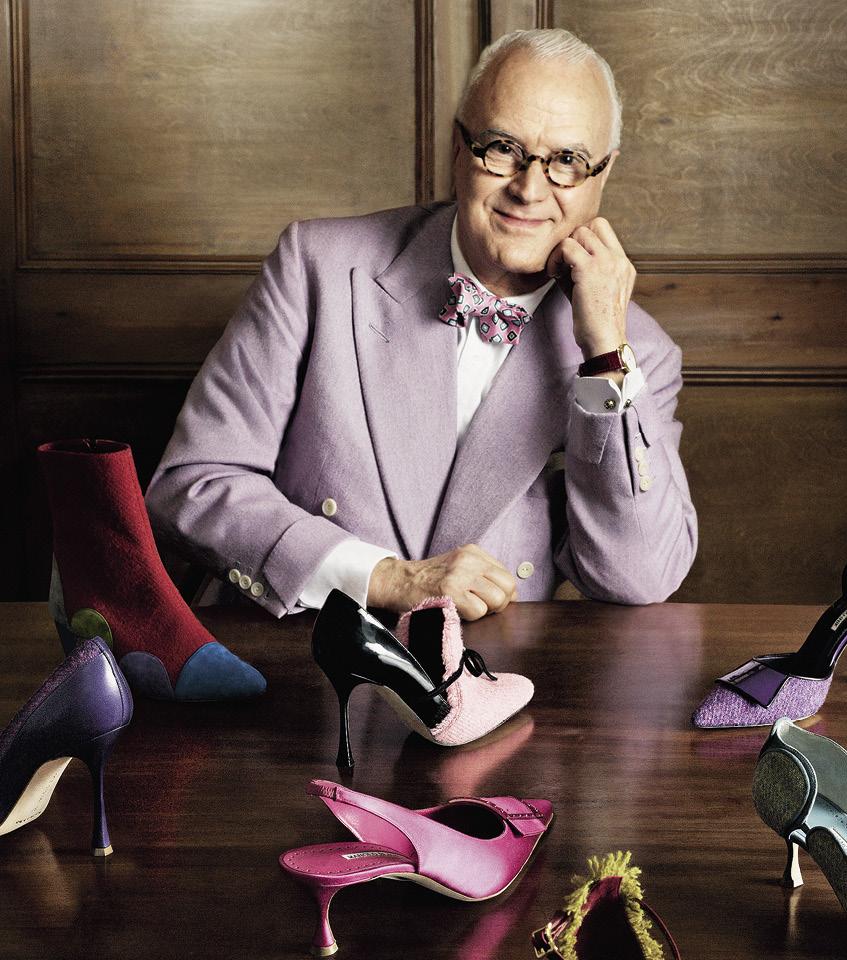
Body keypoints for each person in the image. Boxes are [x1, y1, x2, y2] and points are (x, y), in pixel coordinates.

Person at [145, 28, 697, 622]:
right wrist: (382, 577)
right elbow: (192, 484)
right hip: (294, 653)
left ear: (603, 174)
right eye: (502, 148)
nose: (529, 189)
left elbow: (637, 576)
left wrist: (604, 356)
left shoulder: (637, 352)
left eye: (567, 161)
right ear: (459, 149)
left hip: (489, 670)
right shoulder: (317, 266)